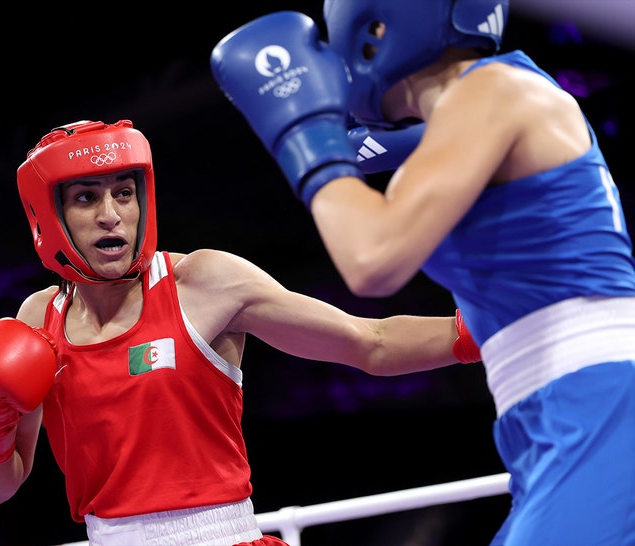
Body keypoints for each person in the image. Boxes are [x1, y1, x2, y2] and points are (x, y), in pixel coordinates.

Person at [210, 2, 635, 545]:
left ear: (375, 27)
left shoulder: (492, 91)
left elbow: (372, 259)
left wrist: (303, 131)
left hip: (599, 398)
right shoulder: (491, 103)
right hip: (547, 414)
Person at [0, 119, 481, 546]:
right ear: (48, 216)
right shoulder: (36, 320)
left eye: (124, 193)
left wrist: (491, 329)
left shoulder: (204, 283)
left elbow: (372, 342)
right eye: (86, 199)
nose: (112, 216)